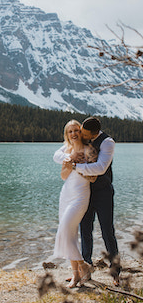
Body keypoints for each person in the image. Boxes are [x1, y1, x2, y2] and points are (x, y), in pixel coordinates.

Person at [53, 116, 120, 286]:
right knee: (84, 230)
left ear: (93, 133)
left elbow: (100, 168)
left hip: (102, 192)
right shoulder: (81, 138)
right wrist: (67, 159)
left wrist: (75, 166)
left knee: (107, 230)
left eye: (82, 132)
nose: (79, 134)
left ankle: (115, 272)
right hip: (83, 192)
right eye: (77, 130)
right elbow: (60, 152)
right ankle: (86, 268)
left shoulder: (107, 143)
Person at [53, 119, 97, 288]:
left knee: (64, 229)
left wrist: (77, 165)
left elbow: (93, 177)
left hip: (80, 195)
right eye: (70, 131)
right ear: (67, 135)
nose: (73, 134)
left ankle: (84, 266)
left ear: (81, 132)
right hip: (66, 195)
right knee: (69, 234)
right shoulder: (67, 151)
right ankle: (76, 274)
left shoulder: (89, 150)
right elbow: (64, 176)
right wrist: (69, 161)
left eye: (76, 130)